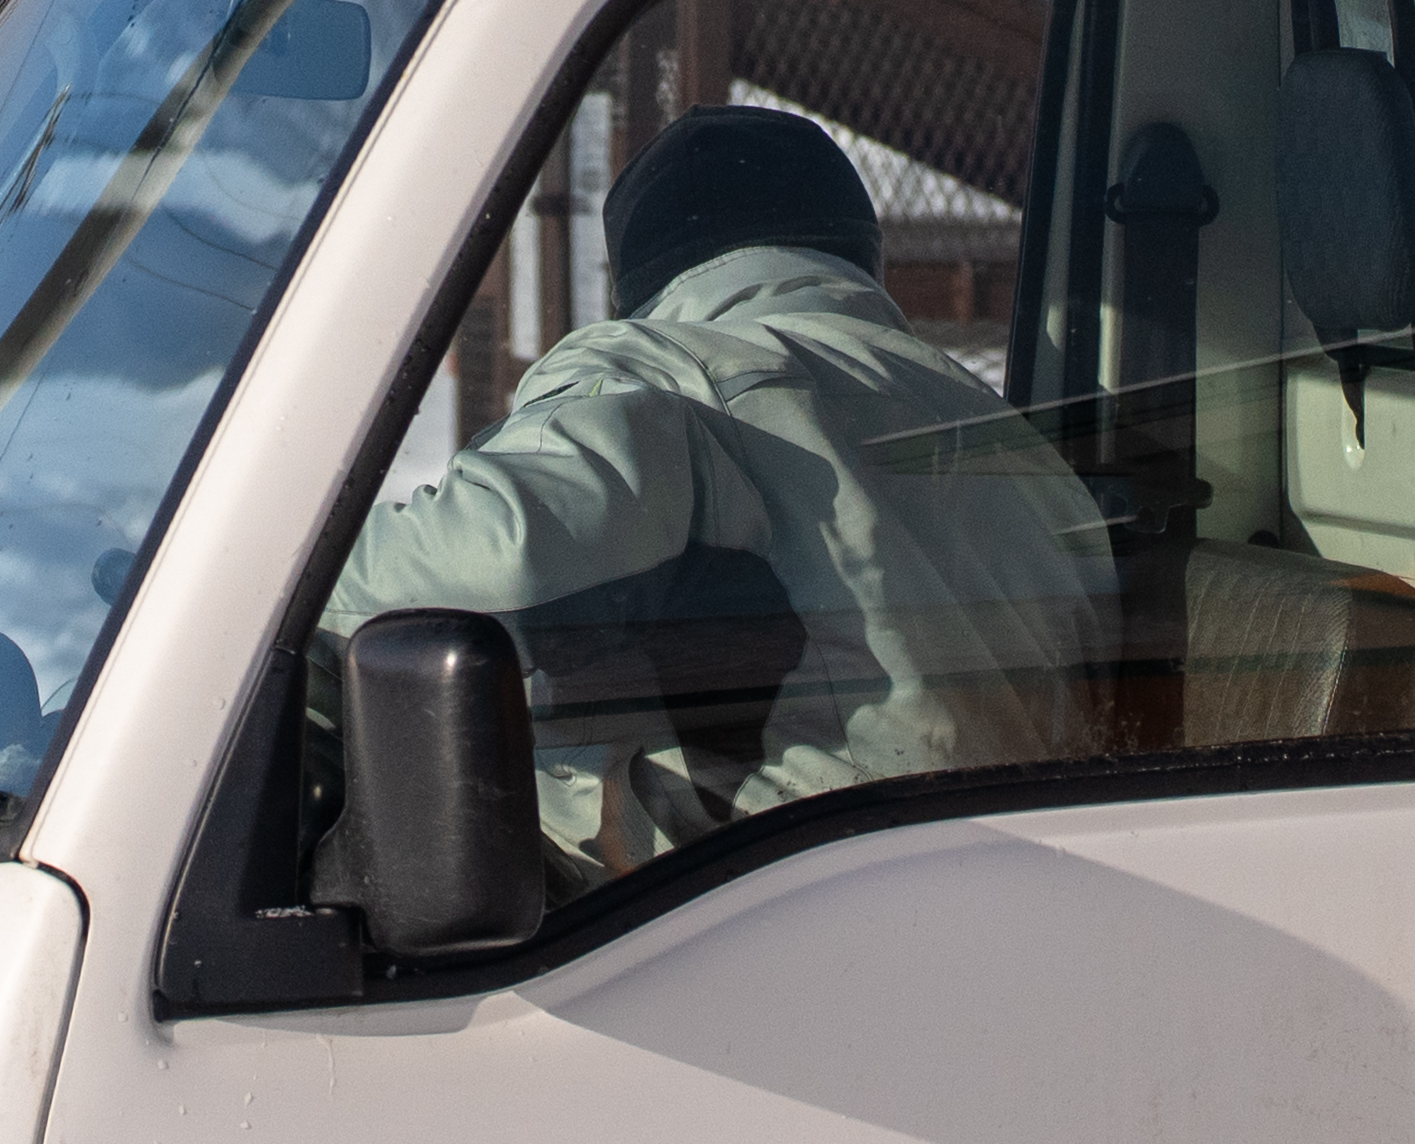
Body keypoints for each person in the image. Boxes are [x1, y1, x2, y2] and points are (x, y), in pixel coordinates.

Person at [325, 107, 1107, 872]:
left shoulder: (670, 368)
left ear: (640, 278)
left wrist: (276, 599)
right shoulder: (1011, 440)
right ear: (860, 256)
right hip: (1012, 894)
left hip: (758, 910)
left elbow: (499, 558)